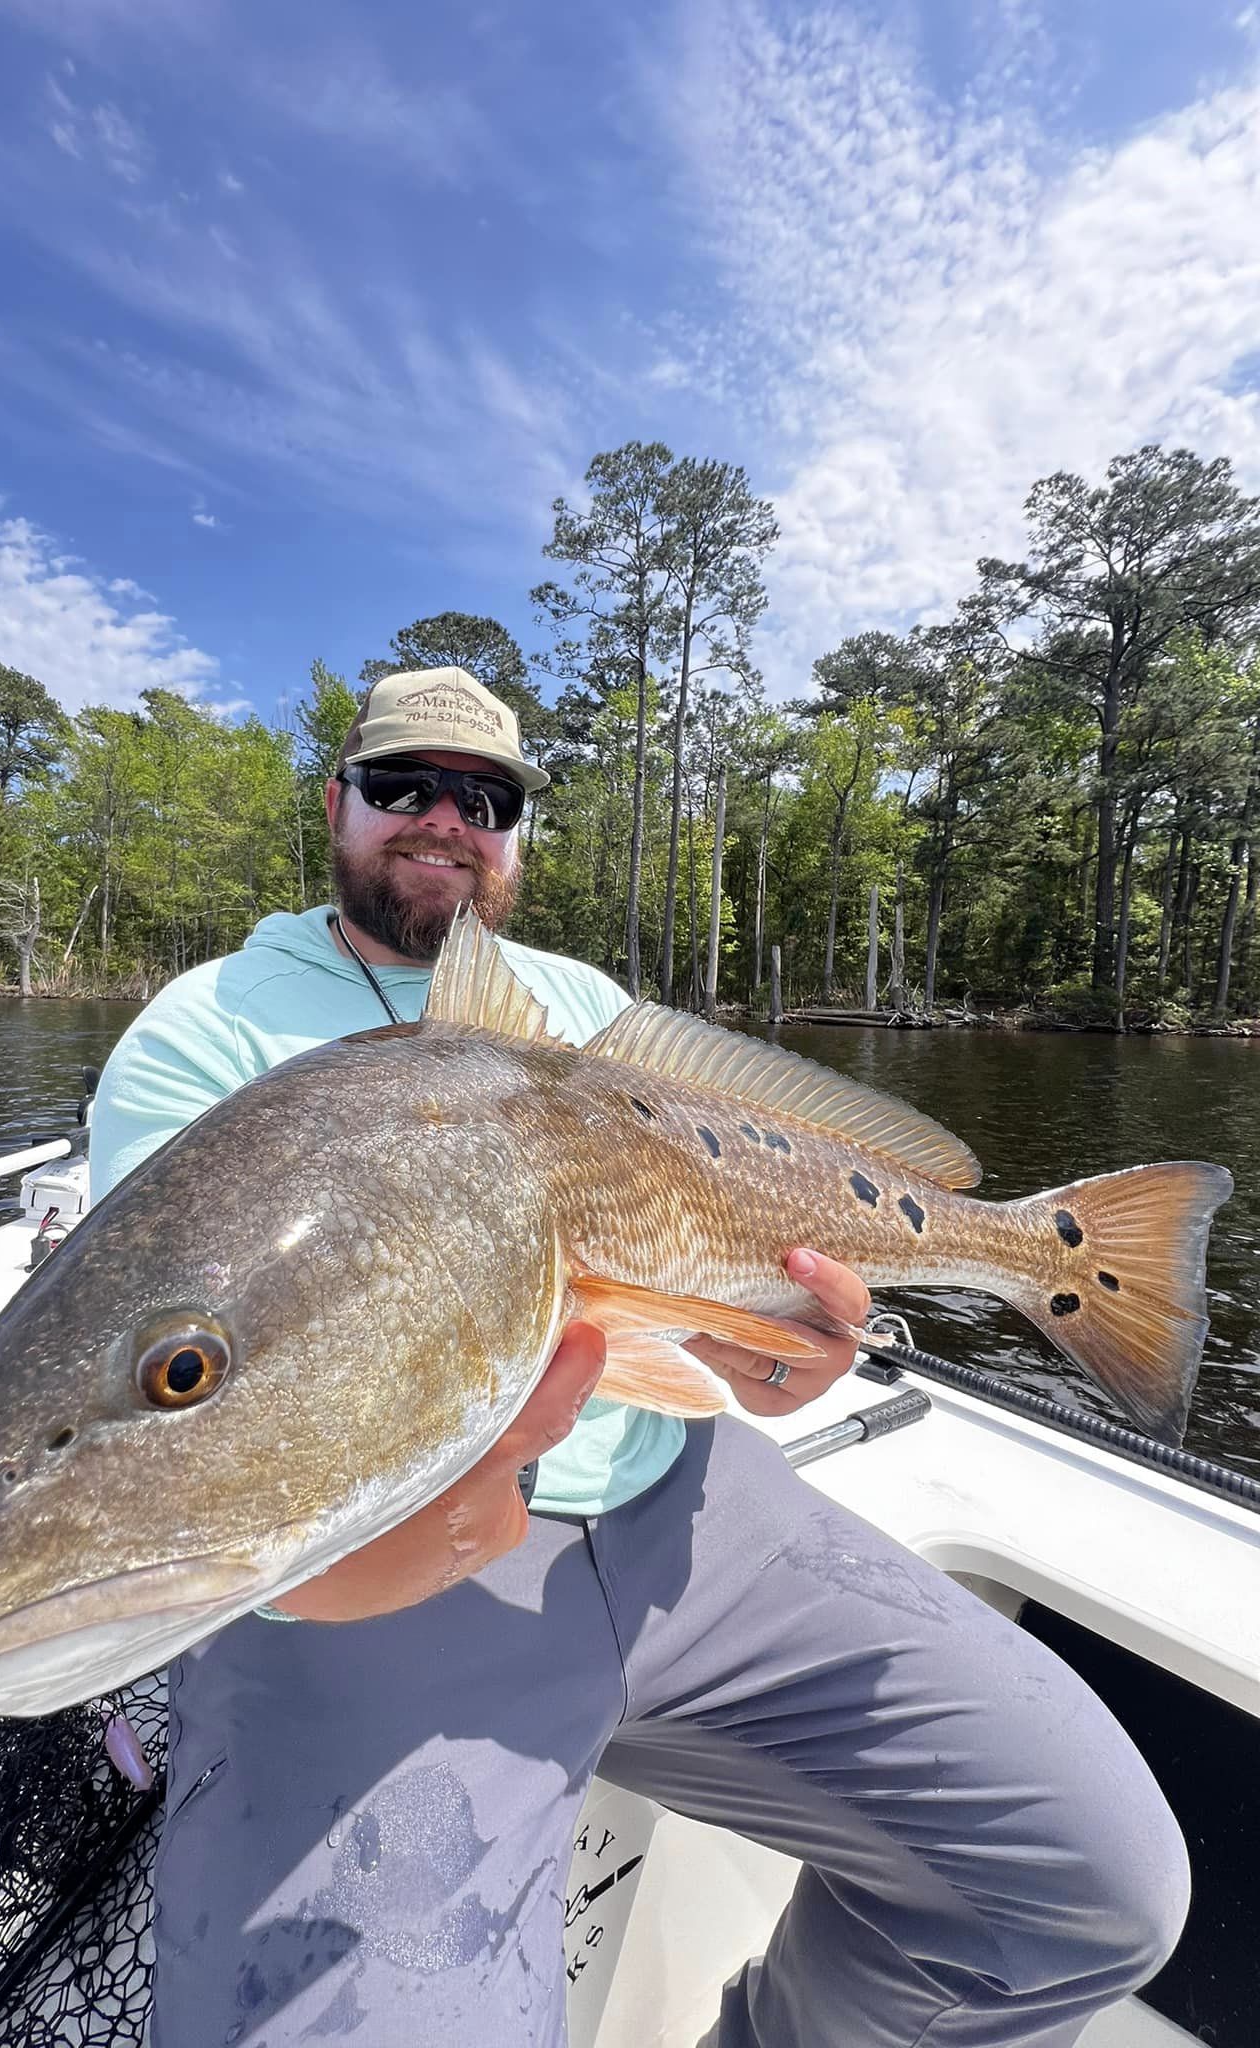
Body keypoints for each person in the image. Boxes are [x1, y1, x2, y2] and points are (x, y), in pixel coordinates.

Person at [90, 668, 1188, 2048]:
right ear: (337, 805)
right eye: (402, 786)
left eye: (483, 798)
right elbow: (181, 1417)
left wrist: (770, 1355)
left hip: (686, 1506)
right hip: (372, 1573)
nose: (444, 819)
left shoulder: (571, 1002)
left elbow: (707, 1307)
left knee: (1093, 1886)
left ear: (516, 835)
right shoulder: (205, 1036)